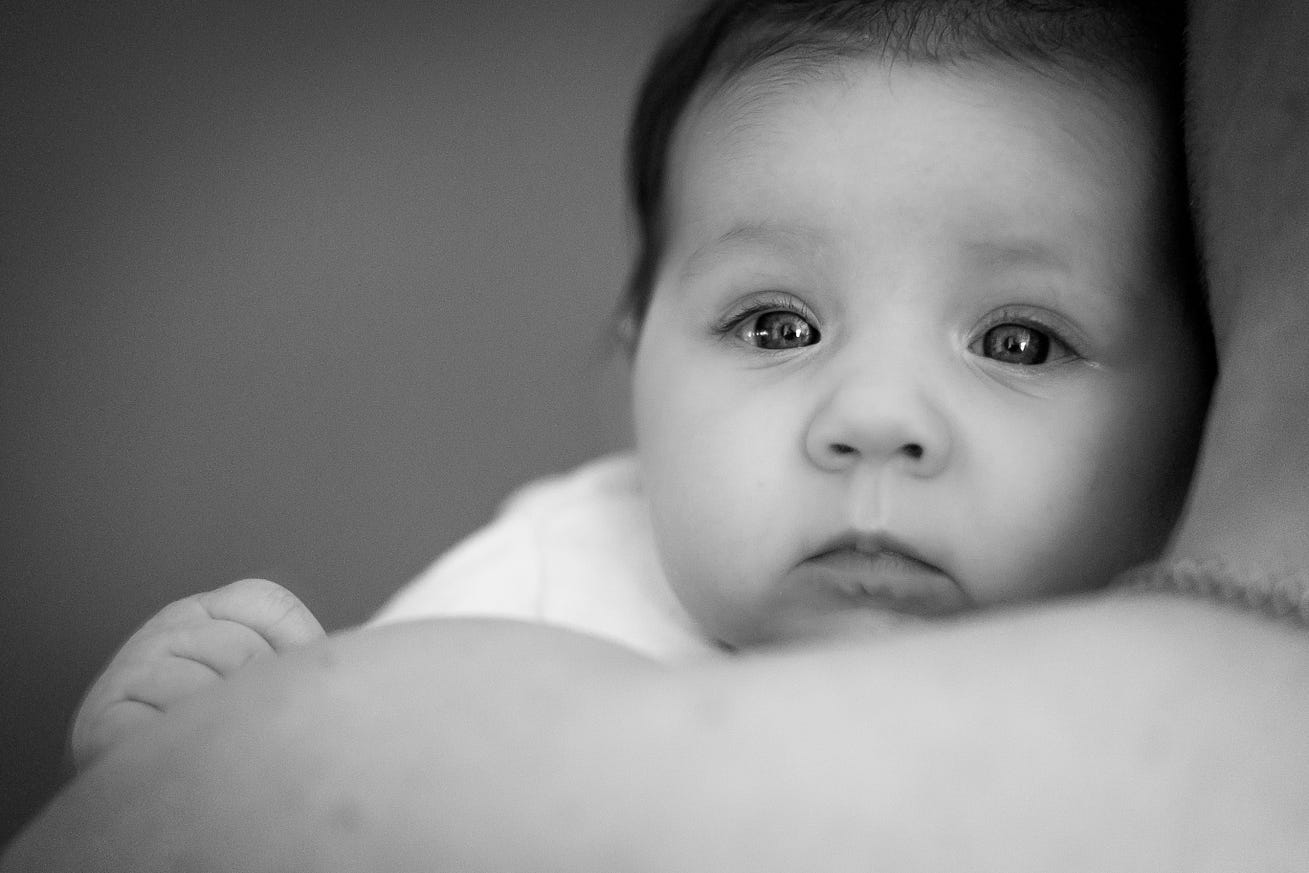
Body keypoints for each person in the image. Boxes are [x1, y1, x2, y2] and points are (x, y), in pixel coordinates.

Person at [5, 0, 1308, 868]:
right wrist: (201, 755)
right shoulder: (541, 594)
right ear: (636, 369)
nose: (872, 418)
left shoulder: (1194, 725)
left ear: (1210, 406)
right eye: (776, 325)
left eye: (1018, 342)